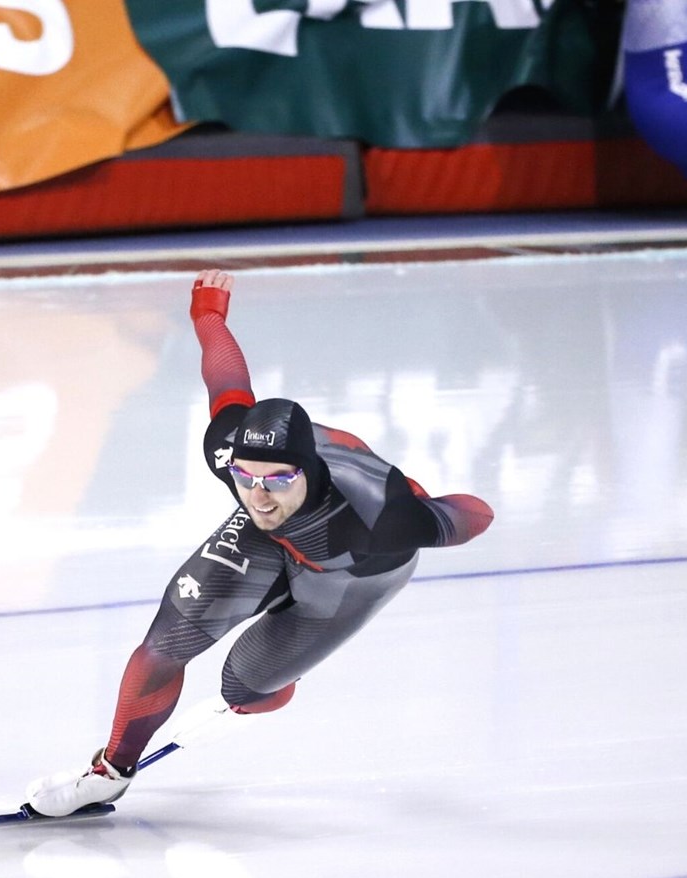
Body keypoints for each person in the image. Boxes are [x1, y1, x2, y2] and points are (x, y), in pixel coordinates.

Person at [26, 269, 495, 816]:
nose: (259, 496)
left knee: (242, 686)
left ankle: (263, 691)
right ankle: (108, 775)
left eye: (277, 481)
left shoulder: (379, 513)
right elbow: (227, 384)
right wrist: (208, 315)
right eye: (246, 479)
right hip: (271, 545)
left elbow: (473, 516)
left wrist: (422, 510)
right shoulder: (234, 456)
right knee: (164, 645)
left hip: (353, 576)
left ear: (309, 471)